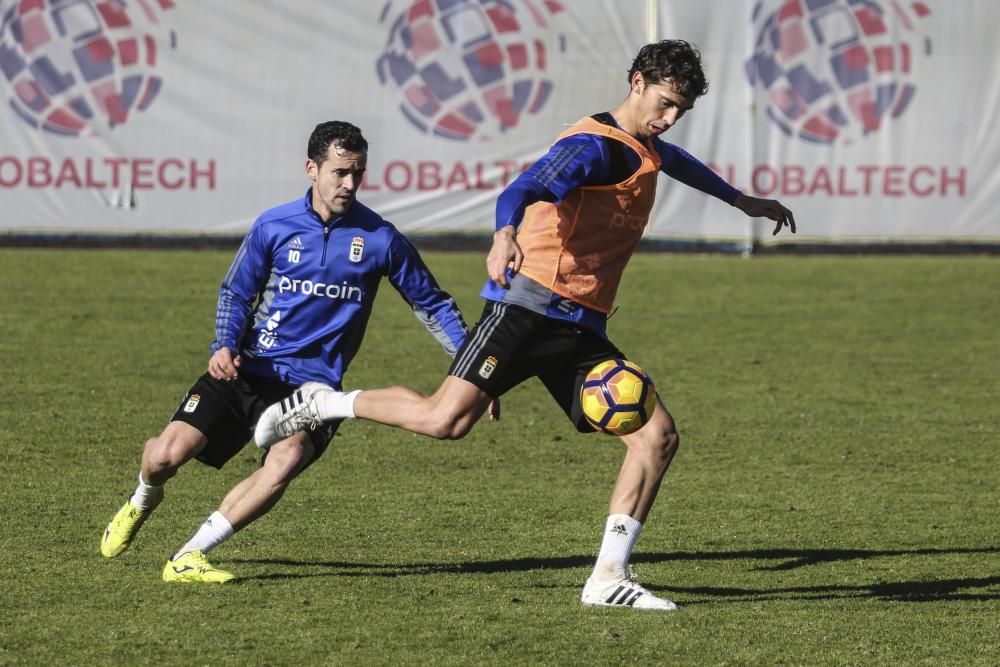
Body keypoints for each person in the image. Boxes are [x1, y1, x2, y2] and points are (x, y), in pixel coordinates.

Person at [255, 40, 796, 609]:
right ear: (637, 81)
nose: (668, 119)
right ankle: (324, 403)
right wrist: (505, 232)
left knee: (657, 437)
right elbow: (525, 186)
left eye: (679, 111)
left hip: (580, 326)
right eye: (663, 104)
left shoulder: (644, 142)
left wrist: (741, 200)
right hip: (528, 307)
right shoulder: (591, 146)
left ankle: (608, 577)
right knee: (446, 421)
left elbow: (669, 159)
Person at [100, 120, 469, 582]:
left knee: (288, 458)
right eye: (340, 172)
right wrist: (224, 345)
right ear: (312, 169)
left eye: (358, 173)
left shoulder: (381, 238)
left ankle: (188, 556)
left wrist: (475, 373)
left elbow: (432, 303)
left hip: (313, 390)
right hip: (248, 369)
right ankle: (141, 500)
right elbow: (237, 292)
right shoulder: (274, 225)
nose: (350, 184)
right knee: (163, 458)